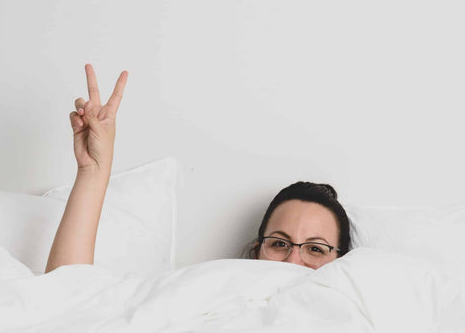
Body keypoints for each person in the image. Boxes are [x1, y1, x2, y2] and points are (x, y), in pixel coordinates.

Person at [45, 65, 350, 274]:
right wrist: (93, 171)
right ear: (256, 253)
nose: (291, 263)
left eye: (315, 249)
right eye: (280, 244)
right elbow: (67, 304)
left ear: (342, 262)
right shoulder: (209, 301)